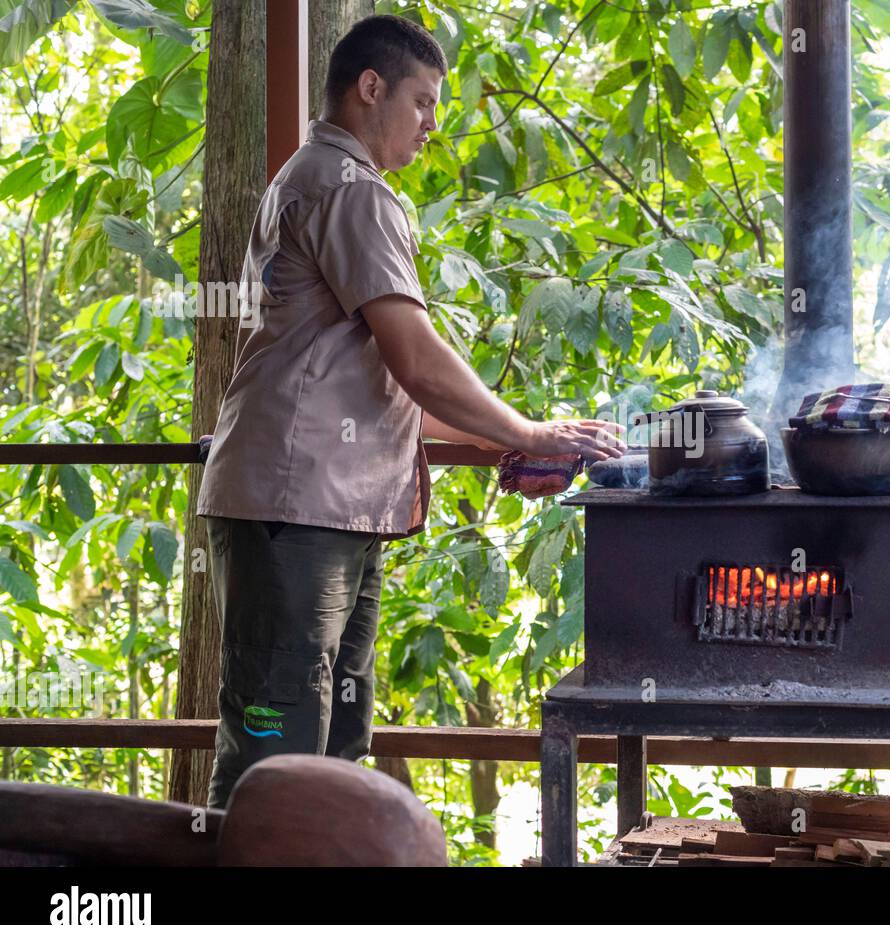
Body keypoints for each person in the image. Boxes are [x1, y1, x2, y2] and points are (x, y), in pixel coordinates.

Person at [195, 14, 623, 809]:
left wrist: (508, 439)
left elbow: (387, 392)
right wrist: (529, 432)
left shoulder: (311, 177)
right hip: (296, 510)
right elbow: (418, 360)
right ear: (370, 89)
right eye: (424, 102)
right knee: (276, 749)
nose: (433, 124)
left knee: (332, 744)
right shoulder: (351, 190)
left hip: (325, 509)